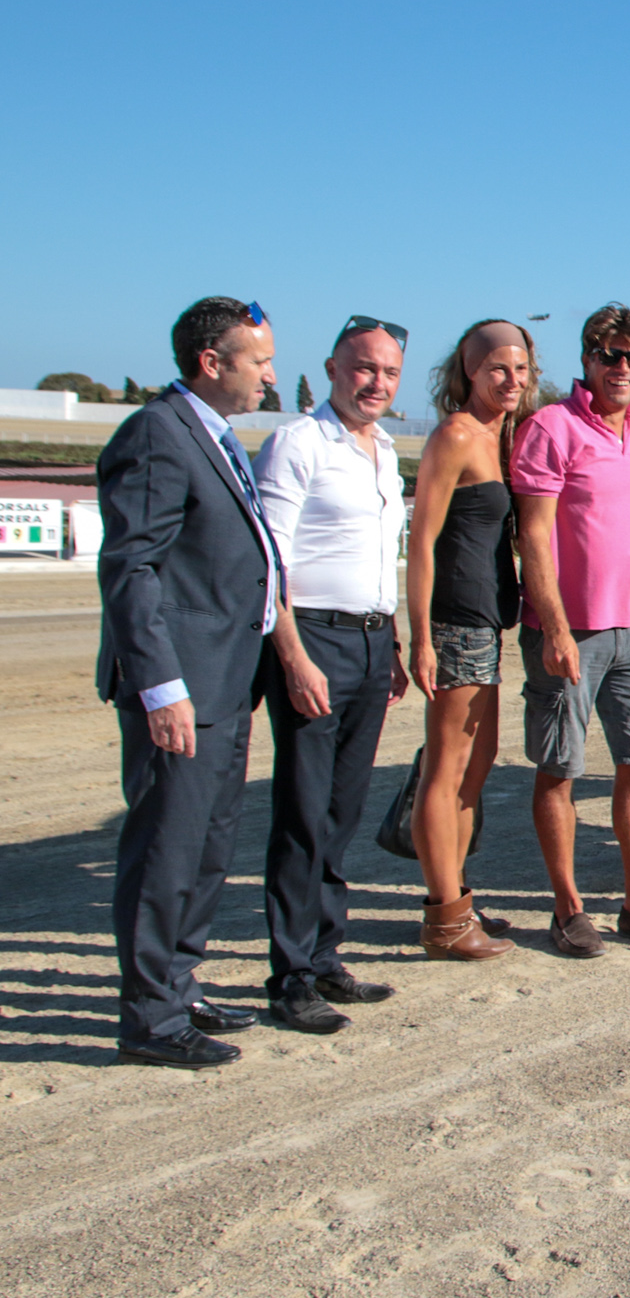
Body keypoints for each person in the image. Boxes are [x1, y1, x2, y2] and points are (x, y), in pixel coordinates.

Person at [96, 297, 281, 1067]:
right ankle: (150, 1019)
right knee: (166, 849)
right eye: (259, 360)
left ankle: (179, 980)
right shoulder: (157, 433)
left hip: (226, 679)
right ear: (213, 361)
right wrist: (160, 685)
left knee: (207, 845)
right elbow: (131, 566)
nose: (270, 375)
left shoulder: (217, 437)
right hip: (182, 685)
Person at [513, 303, 630, 955]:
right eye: (610, 355)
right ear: (587, 358)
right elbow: (533, 537)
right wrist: (555, 628)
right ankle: (567, 909)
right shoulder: (550, 428)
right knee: (560, 767)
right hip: (568, 631)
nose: (623, 368)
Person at [252, 315, 410, 1030]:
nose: (376, 382)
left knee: (342, 812)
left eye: (389, 372)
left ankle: (323, 956)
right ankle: (289, 976)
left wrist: (396, 643)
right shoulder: (296, 443)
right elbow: (269, 562)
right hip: (315, 640)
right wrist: (292, 655)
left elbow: (380, 561)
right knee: (303, 813)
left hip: (374, 644)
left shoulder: (383, 451)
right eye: (363, 368)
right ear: (333, 367)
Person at [404, 319, 535, 961]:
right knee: (447, 769)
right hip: (455, 621)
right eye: (497, 369)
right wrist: (420, 638)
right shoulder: (456, 434)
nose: (511, 380)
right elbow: (421, 543)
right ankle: (445, 918)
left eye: (520, 369)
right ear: (469, 373)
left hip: (486, 620)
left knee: (473, 770)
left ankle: (457, 896)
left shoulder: (500, 433)